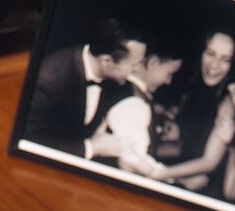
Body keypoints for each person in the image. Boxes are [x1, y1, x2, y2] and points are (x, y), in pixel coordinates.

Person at [147, 66, 235, 203]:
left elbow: (231, 192)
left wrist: (233, 142)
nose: (230, 87)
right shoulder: (230, 103)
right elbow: (205, 157)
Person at [23, 17, 146, 161]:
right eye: (134, 65)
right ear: (106, 61)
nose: (138, 70)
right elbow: (29, 142)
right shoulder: (47, 82)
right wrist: (92, 148)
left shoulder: (116, 80)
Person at [95, 41, 184, 175]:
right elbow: (134, 160)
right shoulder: (134, 103)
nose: (169, 81)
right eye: (170, 73)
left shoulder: (135, 95)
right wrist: (178, 178)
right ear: (153, 62)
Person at [158, 30, 235, 165]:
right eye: (210, 54)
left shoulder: (230, 103)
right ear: (200, 53)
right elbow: (182, 148)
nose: (215, 65)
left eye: (226, 59)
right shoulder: (195, 86)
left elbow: (208, 163)